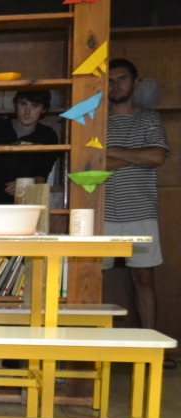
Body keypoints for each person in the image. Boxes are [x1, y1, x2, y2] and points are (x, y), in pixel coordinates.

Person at [103, 58, 170, 331]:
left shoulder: (149, 118)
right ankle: (94, 345)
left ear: (135, 83)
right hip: (101, 213)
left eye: (122, 79)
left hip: (141, 212)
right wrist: (136, 156)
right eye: (109, 80)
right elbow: (93, 163)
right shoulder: (94, 121)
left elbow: (156, 157)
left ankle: (150, 341)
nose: (115, 85)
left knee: (143, 278)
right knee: (92, 278)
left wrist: (112, 151)